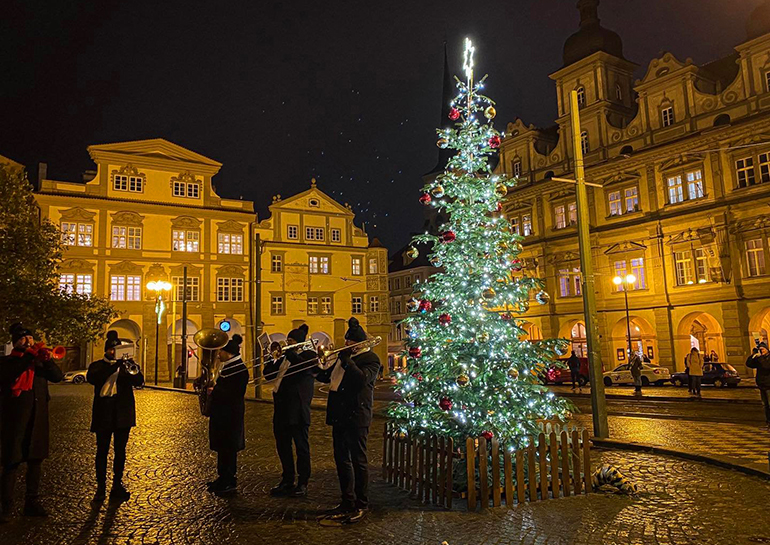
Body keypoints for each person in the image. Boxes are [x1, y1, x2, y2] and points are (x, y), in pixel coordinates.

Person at [316, 317, 380, 525]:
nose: (346, 346)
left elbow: (362, 379)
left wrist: (346, 360)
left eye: (350, 343)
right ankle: (346, 500)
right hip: (339, 415)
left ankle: (361, 503)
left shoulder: (371, 359)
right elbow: (326, 378)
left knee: (358, 461)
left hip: (357, 416)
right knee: (341, 459)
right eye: (346, 342)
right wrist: (321, 363)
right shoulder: (342, 358)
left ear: (359, 344)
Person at [0, 323, 63, 520]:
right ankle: (5, 505)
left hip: (37, 417)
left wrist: (47, 359)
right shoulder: (8, 361)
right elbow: (8, 376)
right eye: (22, 339)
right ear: (15, 342)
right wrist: (28, 354)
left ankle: (32, 501)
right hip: (15, 419)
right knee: (12, 461)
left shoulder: (39, 364)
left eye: (29, 338)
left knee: (35, 461)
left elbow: (57, 377)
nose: (27, 341)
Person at [86, 331, 144, 504]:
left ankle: (117, 484)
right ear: (106, 350)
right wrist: (115, 365)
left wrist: (130, 367)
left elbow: (139, 381)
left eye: (116, 349)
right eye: (112, 349)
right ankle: (100, 486)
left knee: (120, 452)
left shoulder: (127, 367)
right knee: (102, 451)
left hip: (122, 414)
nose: (114, 352)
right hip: (103, 413)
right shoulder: (97, 366)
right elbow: (94, 378)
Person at [264, 324, 317, 498]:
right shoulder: (284, 358)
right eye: (288, 340)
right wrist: (269, 357)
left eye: (291, 341)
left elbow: (304, 368)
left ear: (299, 343)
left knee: (301, 447)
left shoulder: (309, 355)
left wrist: (290, 353)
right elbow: (268, 375)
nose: (287, 343)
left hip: (298, 409)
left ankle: (303, 482)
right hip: (281, 408)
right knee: (283, 446)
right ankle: (287, 479)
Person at [206, 334, 248, 495]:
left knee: (228, 447)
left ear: (227, 352)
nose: (218, 354)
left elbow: (235, 393)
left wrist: (214, 391)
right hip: (223, 413)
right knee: (222, 447)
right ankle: (222, 477)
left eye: (221, 351)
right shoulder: (227, 366)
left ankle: (229, 479)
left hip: (230, 415)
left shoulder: (238, 369)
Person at [746, 343, 770, 430]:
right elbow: (749, 364)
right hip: (762, 385)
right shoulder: (760, 358)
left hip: (769, 385)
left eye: (762, 349)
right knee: (765, 405)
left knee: (769, 405)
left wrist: (760, 358)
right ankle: (768, 423)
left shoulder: (767, 359)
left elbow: (766, 367)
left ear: (767, 349)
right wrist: (753, 355)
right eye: (760, 350)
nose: (761, 351)